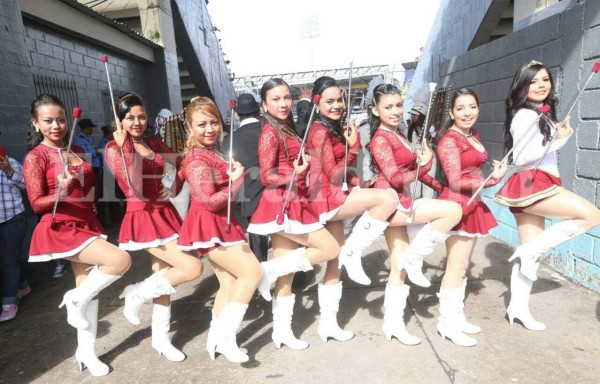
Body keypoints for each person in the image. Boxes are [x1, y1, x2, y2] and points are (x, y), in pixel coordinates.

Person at [23, 94, 131, 376]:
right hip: (61, 227)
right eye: (48, 121)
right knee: (119, 261)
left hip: (86, 222)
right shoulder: (36, 157)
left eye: (60, 119)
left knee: (89, 291)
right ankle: (73, 300)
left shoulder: (75, 150)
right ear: (35, 123)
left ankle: (86, 351)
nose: (56, 125)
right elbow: (36, 203)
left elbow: (86, 188)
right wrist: (60, 190)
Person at [495, 60, 600, 330]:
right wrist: (561, 138)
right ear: (522, 86)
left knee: (530, 258)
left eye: (545, 79)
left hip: (529, 187)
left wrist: (556, 133)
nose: (541, 85)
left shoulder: (538, 113)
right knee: (591, 215)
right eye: (533, 81)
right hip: (533, 184)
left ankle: (517, 309)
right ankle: (528, 251)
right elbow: (521, 156)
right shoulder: (525, 115)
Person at [105, 93, 204, 362]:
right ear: (119, 121)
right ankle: (136, 294)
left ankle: (160, 339)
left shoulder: (152, 141)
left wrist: (173, 186)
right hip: (142, 216)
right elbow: (132, 185)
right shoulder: (114, 148)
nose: (136, 122)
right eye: (129, 118)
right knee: (192, 267)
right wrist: (124, 146)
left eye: (141, 116)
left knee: (163, 275)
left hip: (164, 212)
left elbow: (181, 164)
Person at [248, 78, 340, 350]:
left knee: (286, 277)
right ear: (264, 104)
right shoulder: (269, 132)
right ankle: (268, 270)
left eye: (287, 97)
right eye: (276, 99)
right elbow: (266, 176)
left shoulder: (286, 126)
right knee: (329, 247)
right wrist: (296, 172)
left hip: (292, 199)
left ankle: (281, 332)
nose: (284, 103)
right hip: (280, 201)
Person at [368, 84, 462, 345]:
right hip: (390, 203)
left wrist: (440, 186)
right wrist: (428, 165)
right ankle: (416, 257)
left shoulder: (397, 133)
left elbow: (417, 169)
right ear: (376, 110)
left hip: (401, 200)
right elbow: (397, 179)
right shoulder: (380, 138)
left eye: (399, 105)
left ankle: (393, 324)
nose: (396, 111)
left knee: (398, 267)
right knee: (452, 211)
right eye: (388, 107)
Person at [305, 77, 398, 342]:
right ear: (317, 102)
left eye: (339, 100)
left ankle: (328, 324)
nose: (337, 105)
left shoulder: (332, 127)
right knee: (387, 199)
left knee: (334, 263)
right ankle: (354, 251)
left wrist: (357, 178)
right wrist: (354, 146)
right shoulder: (320, 131)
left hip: (334, 193)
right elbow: (333, 174)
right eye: (330, 101)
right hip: (324, 196)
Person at [177, 96, 263, 363]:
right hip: (208, 224)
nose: (210, 129)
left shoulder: (212, 150)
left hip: (220, 223)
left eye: (214, 122)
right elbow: (209, 201)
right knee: (252, 273)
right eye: (201, 124)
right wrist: (236, 181)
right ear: (189, 128)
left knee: (228, 283)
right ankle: (226, 338)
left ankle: (215, 338)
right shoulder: (196, 158)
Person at [434, 88, 508, 346]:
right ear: (452, 112)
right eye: (461, 108)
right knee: (455, 266)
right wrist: (493, 178)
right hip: (457, 205)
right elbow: (455, 180)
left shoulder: (472, 134)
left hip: (473, 202)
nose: (467, 113)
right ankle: (446, 323)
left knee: (463, 265)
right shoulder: (449, 140)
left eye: (472, 107)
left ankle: (457, 317)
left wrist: (492, 175)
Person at [222, 93, 269, 261]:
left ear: (238, 115)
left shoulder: (229, 141)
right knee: (288, 237)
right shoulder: (269, 130)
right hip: (275, 189)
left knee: (257, 239)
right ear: (258, 112)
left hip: (249, 194)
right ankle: (297, 278)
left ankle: (261, 278)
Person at [0, 147, 27, 322]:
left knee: (8, 259)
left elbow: (26, 184)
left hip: (13, 218)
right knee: (9, 258)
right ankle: (22, 283)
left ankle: (9, 301)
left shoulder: (12, 163)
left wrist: (8, 170)